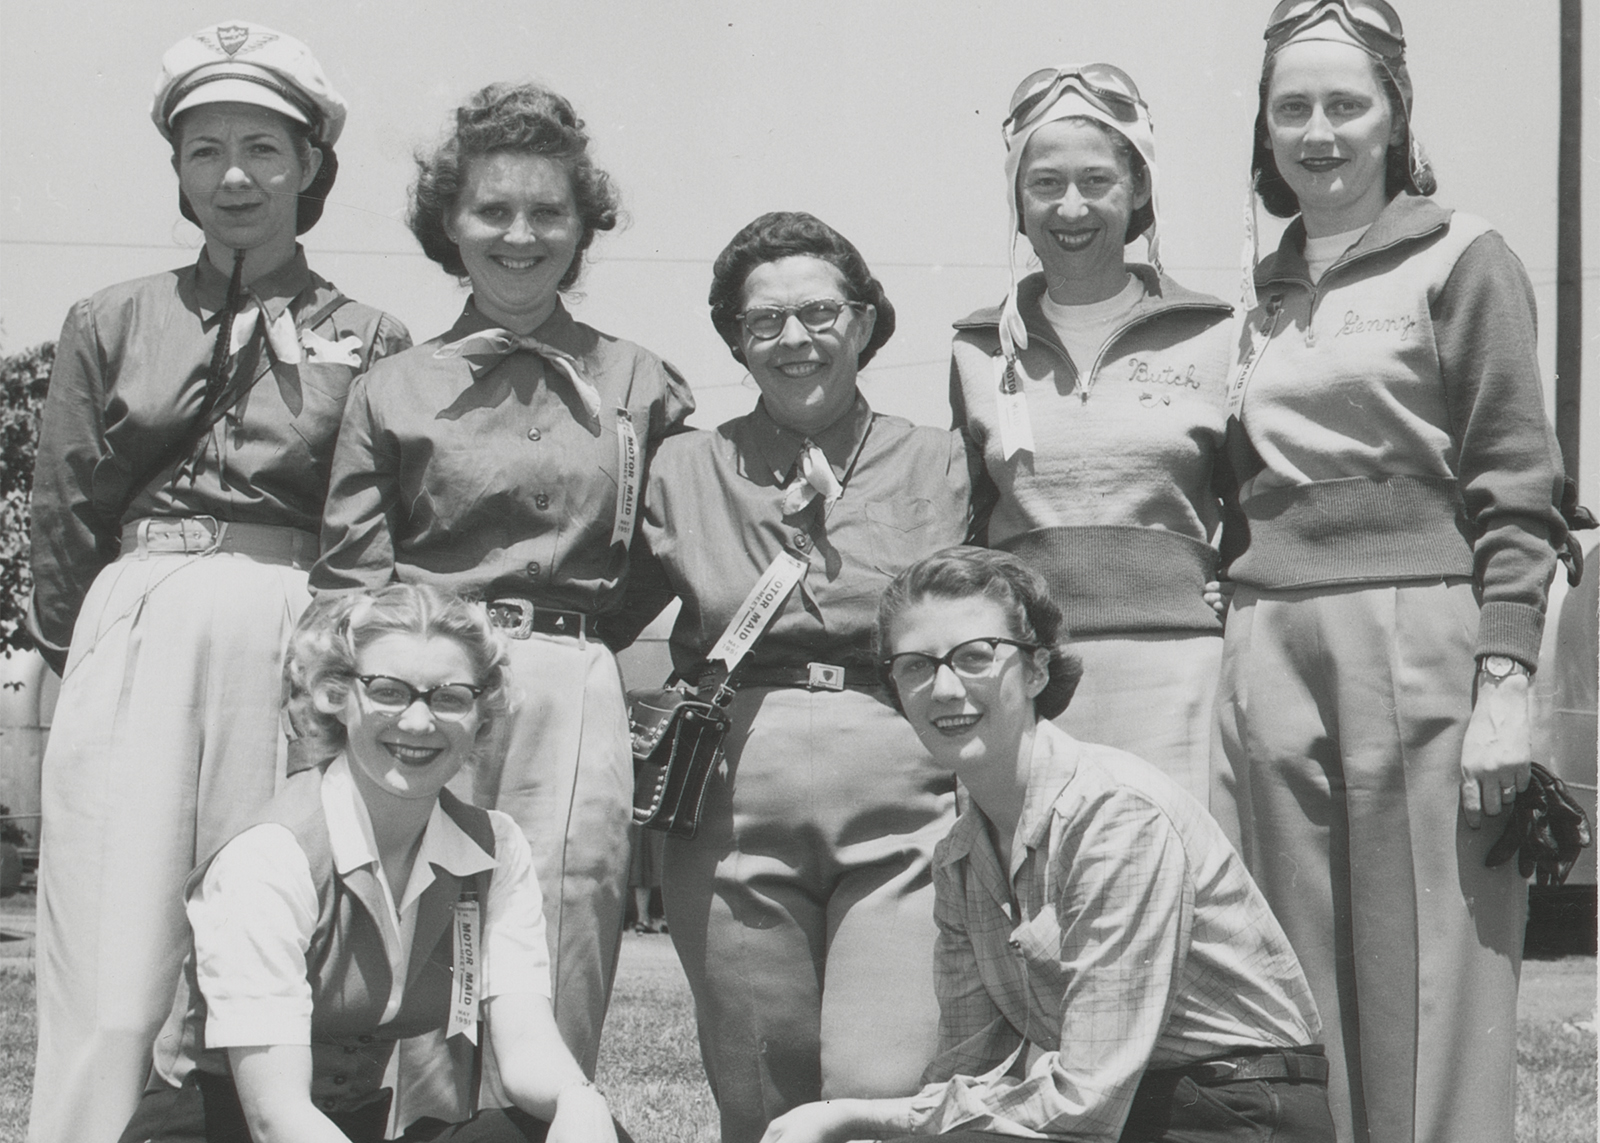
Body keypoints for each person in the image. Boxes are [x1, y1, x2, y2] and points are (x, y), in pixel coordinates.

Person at [26, 23, 411, 1142]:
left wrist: (336, 680)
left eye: (261, 148)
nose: (233, 177)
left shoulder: (371, 336)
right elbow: (66, 510)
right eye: (204, 151)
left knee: (265, 943)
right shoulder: (111, 317)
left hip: (292, 633)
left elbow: (367, 519)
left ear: (310, 167)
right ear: (179, 172)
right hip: (136, 621)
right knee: (111, 957)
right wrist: (82, 653)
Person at [1211, 3, 1569, 1141]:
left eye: (1345, 105)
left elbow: (1516, 480)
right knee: (1290, 965)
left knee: (1434, 966)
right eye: (1292, 109)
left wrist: (1503, 681)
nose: (1318, 133)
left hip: (1416, 629)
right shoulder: (1261, 293)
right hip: (1269, 637)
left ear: (1394, 115)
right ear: (1265, 129)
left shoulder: (1465, 255)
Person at [314, 81, 694, 1076]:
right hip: (425, 679)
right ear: (449, 223)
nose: (519, 236)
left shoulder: (641, 382)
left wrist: (580, 643)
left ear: (583, 226)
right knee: (420, 915)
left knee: (566, 917)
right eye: (492, 210)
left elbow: (666, 548)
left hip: (572, 680)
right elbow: (350, 574)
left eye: (547, 212)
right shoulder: (392, 386)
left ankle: (541, 1117)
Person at [606, 212, 989, 1143]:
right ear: (734, 338)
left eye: (820, 312)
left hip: (905, 799)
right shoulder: (683, 467)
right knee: (759, 1094)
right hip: (732, 805)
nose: (794, 339)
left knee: (880, 1091)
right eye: (763, 320)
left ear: (865, 321)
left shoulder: (941, 460)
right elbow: (600, 607)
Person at [760, 546, 1332, 1143]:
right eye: (916, 667)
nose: (945, 688)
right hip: (1134, 1109)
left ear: (1036, 671)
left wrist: (852, 1115)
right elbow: (969, 1068)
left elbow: (1086, 1102)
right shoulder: (961, 856)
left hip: (1234, 1109)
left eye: (975, 657)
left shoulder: (1115, 816)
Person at [116, 584, 631, 1143]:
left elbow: (527, 1043)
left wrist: (579, 1101)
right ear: (337, 696)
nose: (417, 722)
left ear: (483, 714)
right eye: (388, 692)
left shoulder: (494, 848)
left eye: (450, 698)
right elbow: (274, 1116)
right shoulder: (270, 858)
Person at [948, 63, 1234, 801]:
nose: (1070, 207)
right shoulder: (976, 349)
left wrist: (1236, 586)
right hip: (1028, 676)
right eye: (1045, 183)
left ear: (1138, 189)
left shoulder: (1216, 335)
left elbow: (1258, 503)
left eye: (1096, 181)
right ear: (1017, 197)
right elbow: (968, 522)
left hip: (1178, 672)